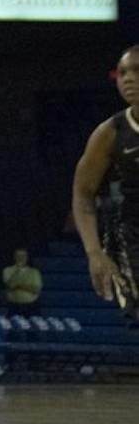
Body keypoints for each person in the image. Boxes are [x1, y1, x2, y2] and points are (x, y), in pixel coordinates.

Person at [72, 44, 139, 319]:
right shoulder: (110, 133)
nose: (128, 78)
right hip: (132, 238)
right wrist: (94, 252)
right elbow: (83, 193)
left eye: (136, 70)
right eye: (122, 72)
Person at [0, 249, 43, 317]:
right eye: (18, 256)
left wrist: (19, 285)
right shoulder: (7, 270)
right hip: (14, 306)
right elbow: (10, 286)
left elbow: (36, 290)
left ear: (27, 258)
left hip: (31, 307)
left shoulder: (34, 272)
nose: (21, 258)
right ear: (14, 257)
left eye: (23, 256)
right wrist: (18, 271)